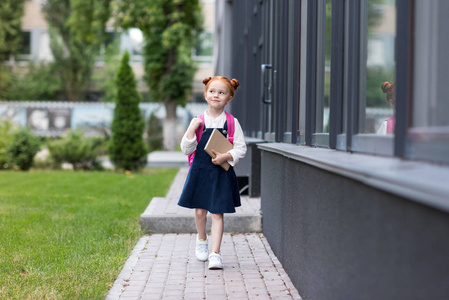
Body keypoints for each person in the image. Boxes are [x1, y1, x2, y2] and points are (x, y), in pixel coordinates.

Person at [178, 76, 247, 270]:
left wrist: (226, 156)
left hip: (221, 174)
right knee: (200, 211)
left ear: (229, 98)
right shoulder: (198, 121)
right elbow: (186, 149)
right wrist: (191, 129)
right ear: (205, 95)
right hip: (200, 172)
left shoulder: (232, 123)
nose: (216, 95)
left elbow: (241, 148)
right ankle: (201, 239)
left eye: (222, 92)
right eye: (212, 91)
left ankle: (215, 253)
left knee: (217, 213)